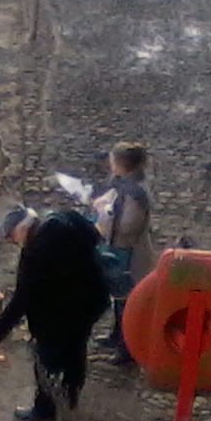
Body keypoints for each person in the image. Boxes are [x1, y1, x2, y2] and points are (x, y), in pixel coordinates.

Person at [0, 205, 109, 421]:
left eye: (11, 236)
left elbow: (21, 300)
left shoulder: (34, 252)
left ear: (21, 229)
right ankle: (71, 396)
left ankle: (45, 410)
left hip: (62, 312)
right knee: (76, 348)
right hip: (92, 299)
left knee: (45, 358)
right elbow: (95, 235)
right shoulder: (64, 216)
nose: (11, 241)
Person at [91, 142, 155, 365]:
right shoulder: (124, 185)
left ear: (120, 165)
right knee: (118, 300)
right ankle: (116, 336)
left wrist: (102, 214)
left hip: (129, 256)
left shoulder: (135, 193)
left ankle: (127, 349)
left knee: (127, 302)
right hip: (119, 250)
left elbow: (127, 227)